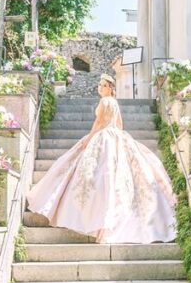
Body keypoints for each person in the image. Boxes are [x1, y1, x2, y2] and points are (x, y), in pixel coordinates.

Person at [26, 73, 176, 244]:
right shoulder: (115, 103)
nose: (100, 87)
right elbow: (119, 124)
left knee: (96, 172)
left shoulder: (105, 101)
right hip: (116, 136)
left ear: (111, 88)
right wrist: (120, 137)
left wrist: (89, 138)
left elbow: (98, 123)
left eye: (104, 85)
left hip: (104, 137)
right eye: (100, 85)